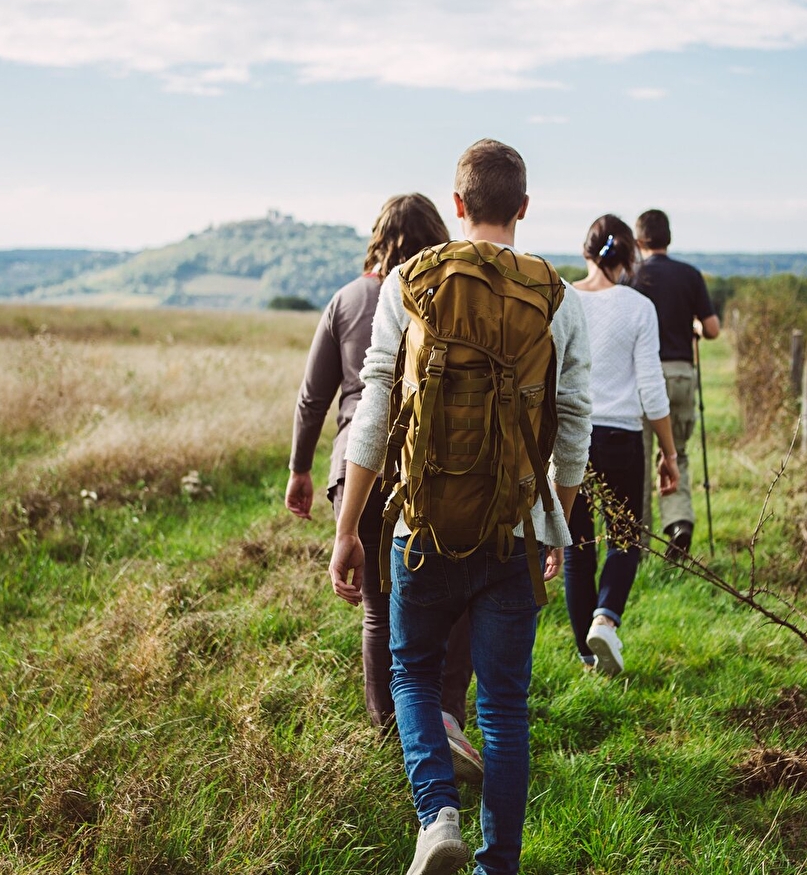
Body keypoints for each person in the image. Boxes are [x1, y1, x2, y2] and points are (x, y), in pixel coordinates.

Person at [327, 139, 591, 875]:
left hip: (420, 525)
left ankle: (436, 813)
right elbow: (575, 423)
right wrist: (555, 522)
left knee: (412, 672)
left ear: (458, 204)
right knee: (504, 708)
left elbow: (375, 409)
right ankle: (495, 866)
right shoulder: (557, 297)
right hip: (514, 529)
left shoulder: (408, 282)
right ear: (524, 207)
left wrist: (348, 529)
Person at [284, 193, 483, 783]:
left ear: (377, 238)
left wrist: (300, 468)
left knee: (377, 608)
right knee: (454, 602)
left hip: (358, 467)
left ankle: (391, 731)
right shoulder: (449, 294)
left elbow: (312, 398)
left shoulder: (346, 300)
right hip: (437, 465)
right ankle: (446, 719)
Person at [564, 214, 679, 677]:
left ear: (586, 251)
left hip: (570, 436)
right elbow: (651, 387)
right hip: (621, 438)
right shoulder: (638, 307)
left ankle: (588, 658)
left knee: (577, 549)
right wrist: (669, 452)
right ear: (630, 257)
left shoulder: (562, 300)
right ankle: (605, 619)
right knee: (625, 538)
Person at [629, 209, 721, 553]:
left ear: (639, 240)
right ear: (668, 238)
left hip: (642, 377)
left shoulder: (632, 276)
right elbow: (712, 329)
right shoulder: (690, 275)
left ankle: (637, 541)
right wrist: (695, 327)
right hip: (681, 373)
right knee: (676, 454)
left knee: (639, 460)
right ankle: (679, 521)